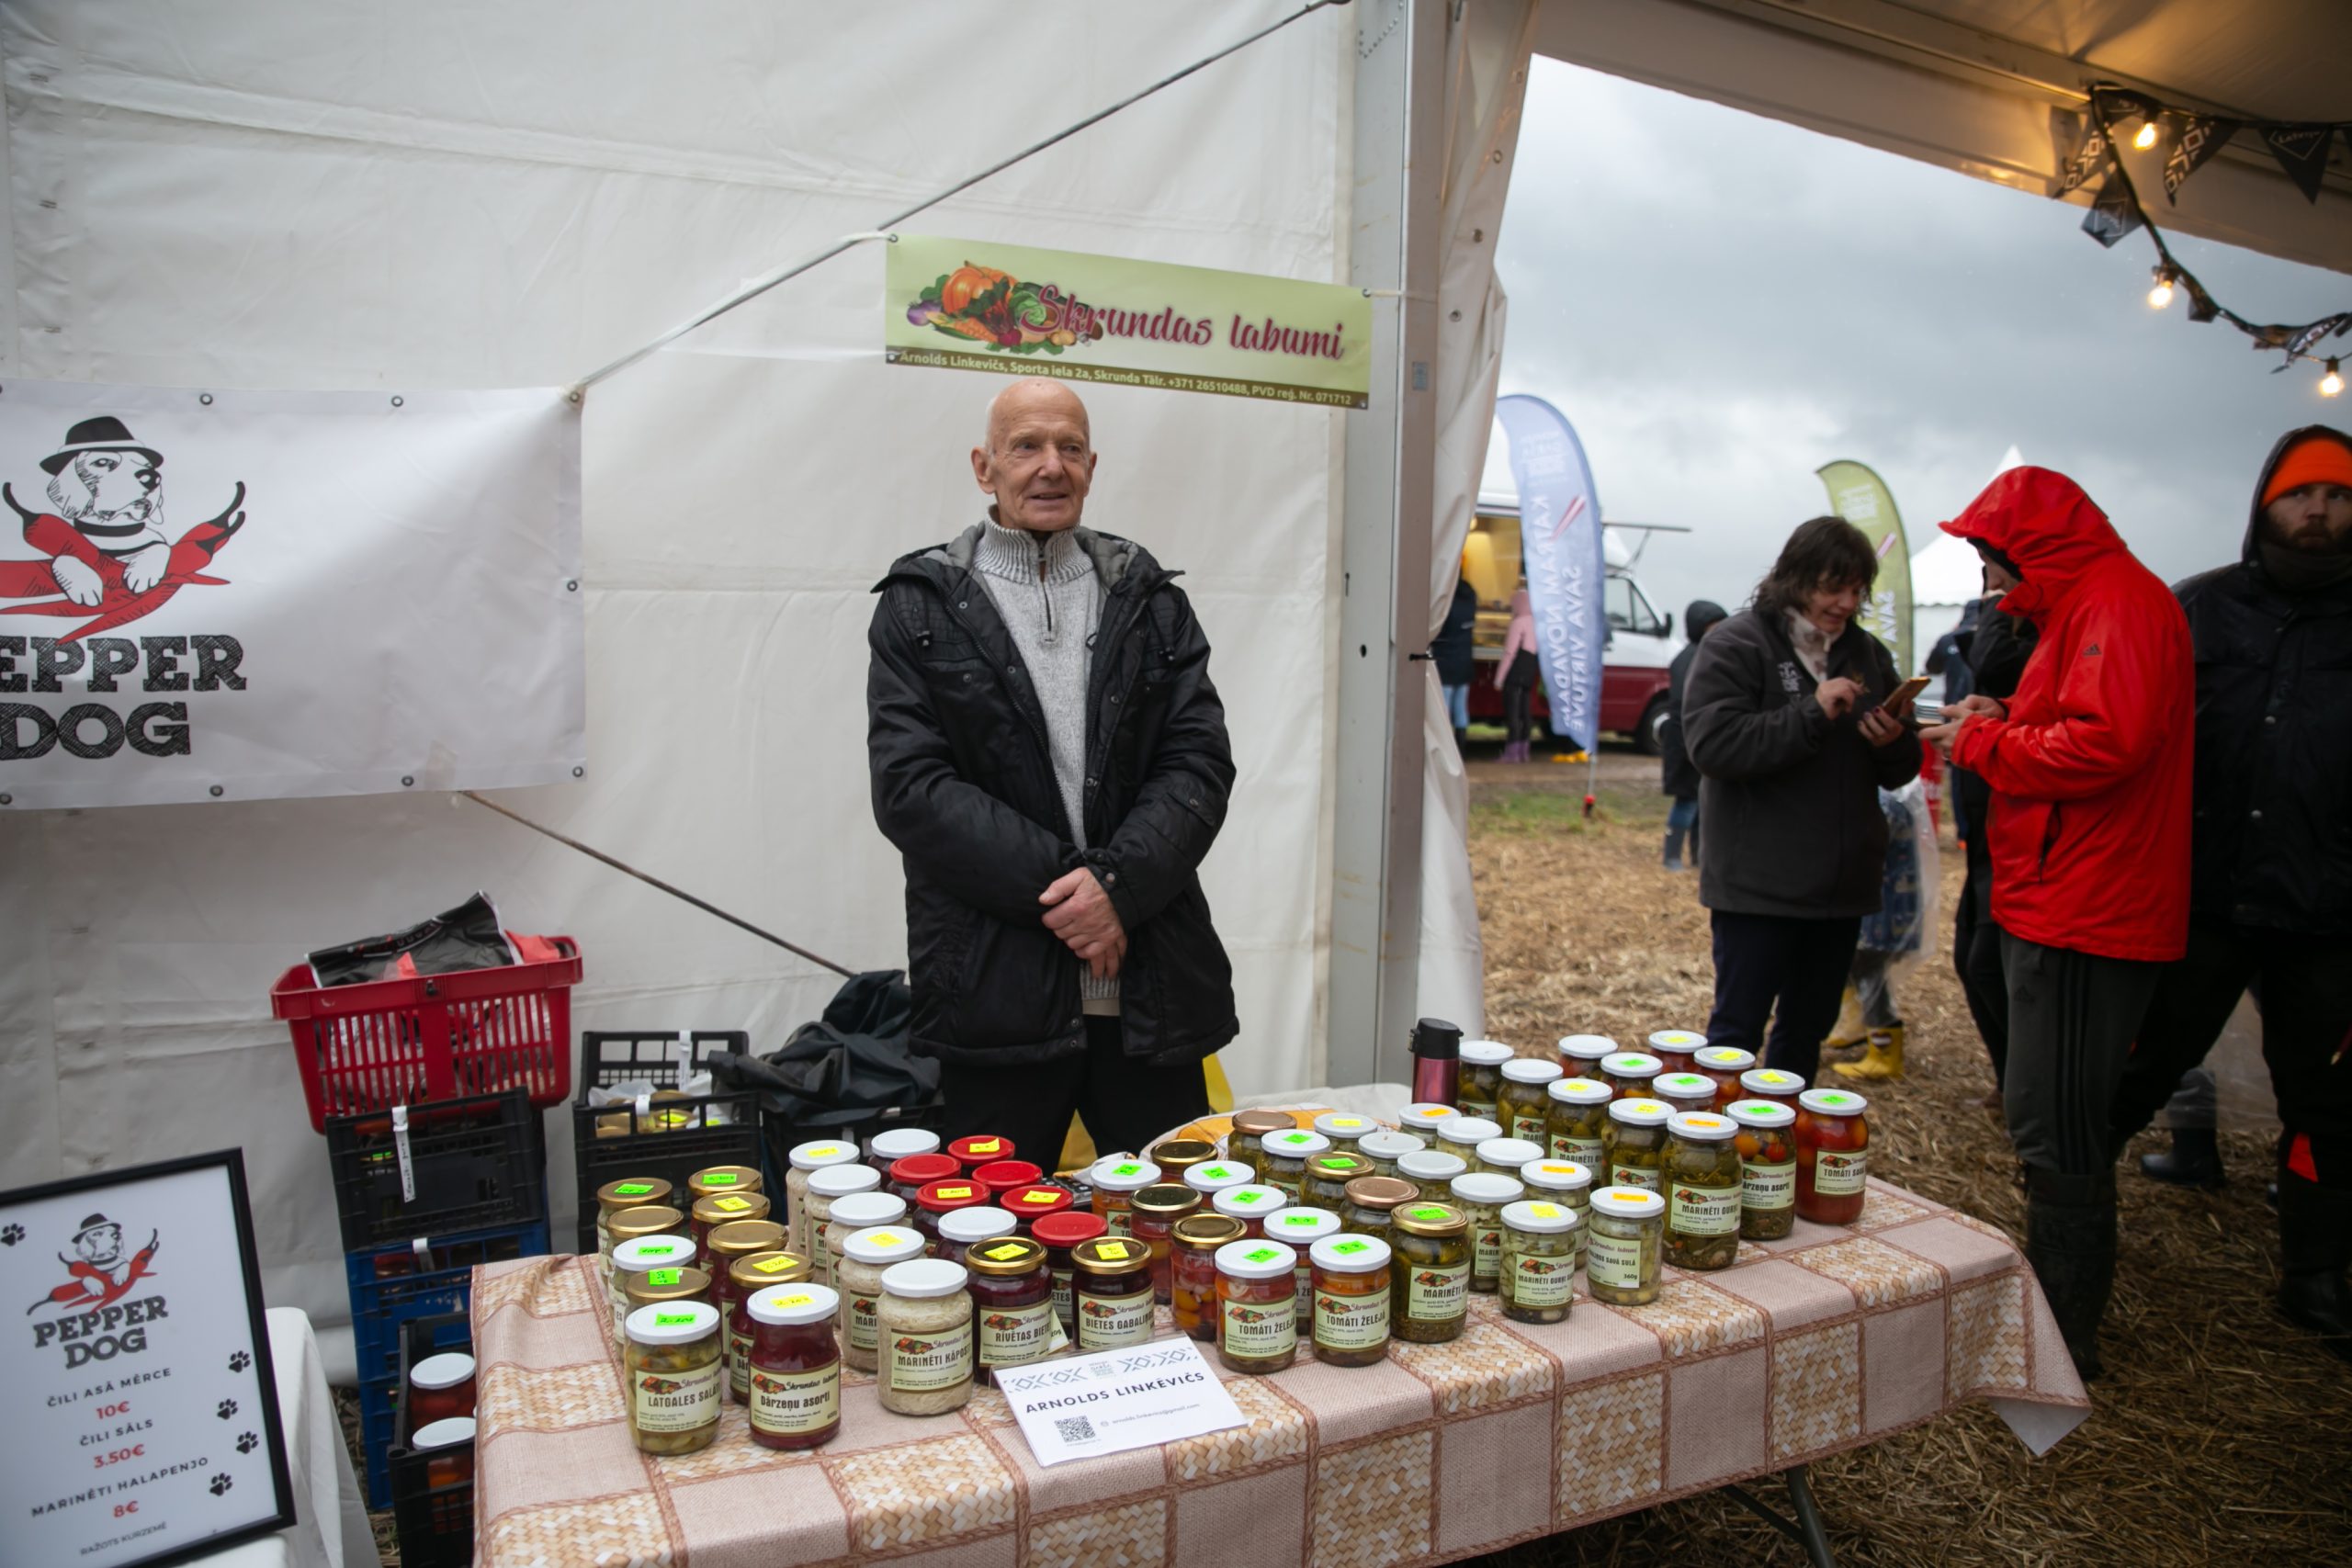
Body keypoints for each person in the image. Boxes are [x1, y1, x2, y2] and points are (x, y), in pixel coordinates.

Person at [866, 378, 1238, 1163]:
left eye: (1070, 447)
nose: (1051, 466)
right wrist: (1083, 894)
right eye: (1026, 446)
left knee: (1172, 1213)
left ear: (1092, 466)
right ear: (984, 466)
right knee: (996, 1223)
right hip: (995, 998)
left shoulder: (1150, 598)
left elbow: (1198, 763)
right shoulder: (918, 605)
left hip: (1149, 995)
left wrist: (1119, 889)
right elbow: (912, 789)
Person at [1920, 466, 2193, 1382]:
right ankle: (2051, 1324)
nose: (1990, 580)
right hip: (2067, 890)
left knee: (2059, 1127)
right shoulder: (2090, 604)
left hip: (2087, 903)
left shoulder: (2116, 604)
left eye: (1992, 558)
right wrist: (2006, 710)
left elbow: (2107, 742)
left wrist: (1984, 741)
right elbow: (2085, 716)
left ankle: (2061, 1342)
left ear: (2029, 547)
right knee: (2051, 1117)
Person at [2105, 426, 2352, 1360]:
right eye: (2300, 494)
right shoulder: (2197, 608)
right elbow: (2126, 723)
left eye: (2337, 495)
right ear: (2265, 504)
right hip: (2199, 901)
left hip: (2328, 915)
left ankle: (2315, 1274)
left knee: (2327, 1103)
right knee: (2131, 1074)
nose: (2317, 510)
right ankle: (2067, 1241)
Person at [1682, 517, 1921, 1086]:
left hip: (1840, 887)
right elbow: (1713, 746)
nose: (1846, 603)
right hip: (1758, 886)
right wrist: (1811, 711)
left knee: (1806, 1030)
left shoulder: (1866, 652)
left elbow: (1901, 768)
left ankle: (1780, 1135)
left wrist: (1893, 742)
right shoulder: (1737, 644)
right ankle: (1720, 1135)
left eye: (1857, 590)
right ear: (1794, 577)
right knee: (1736, 1034)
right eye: (1833, 587)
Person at [1948, 579, 2037, 1106]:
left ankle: (2025, 1091)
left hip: (2022, 828)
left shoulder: (2045, 627)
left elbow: (1997, 663)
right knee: (1971, 959)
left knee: (1986, 962)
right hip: (1986, 822)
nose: (1993, 587)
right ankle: (2013, 1085)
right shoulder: (2000, 627)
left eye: (1998, 573)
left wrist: (1997, 605)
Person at [1657, 597, 1726, 868]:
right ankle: (1672, 857)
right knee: (1686, 802)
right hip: (1685, 742)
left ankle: (1699, 857)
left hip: (1700, 740)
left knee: (1703, 803)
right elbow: (1685, 706)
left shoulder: (1709, 654)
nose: (1719, 630)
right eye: (1713, 625)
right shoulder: (1690, 660)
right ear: (1700, 627)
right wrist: (1691, 744)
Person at [1495, 587, 1541, 764]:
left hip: (1515, 673)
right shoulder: (1537, 622)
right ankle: (1524, 751)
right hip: (1530, 672)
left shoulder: (1518, 622)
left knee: (1513, 713)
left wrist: (1499, 678)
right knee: (1525, 712)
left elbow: (1509, 653)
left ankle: (1511, 753)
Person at [1434, 572, 1478, 750]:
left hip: (1447, 661)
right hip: (1465, 662)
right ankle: (1461, 748)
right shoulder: (1470, 601)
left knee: (1444, 709)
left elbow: (1439, 632)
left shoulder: (1448, 604)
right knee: (1461, 708)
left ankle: (1446, 748)